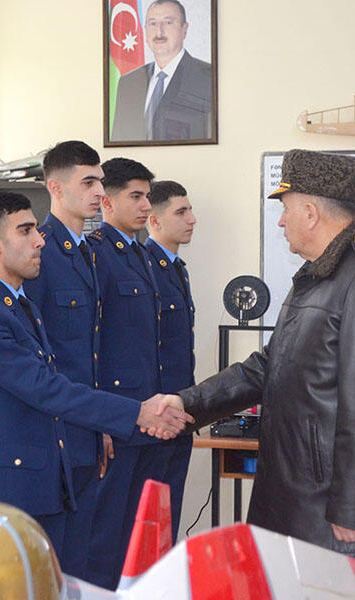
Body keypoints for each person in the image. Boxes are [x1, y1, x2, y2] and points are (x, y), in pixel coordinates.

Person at [156, 149, 355, 566]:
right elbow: (269, 366)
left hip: (330, 512)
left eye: (286, 209)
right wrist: (188, 403)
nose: (281, 222)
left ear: (310, 213)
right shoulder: (322, 274)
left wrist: (352, 508)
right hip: (300, 496)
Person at [0, 191, 192, 564]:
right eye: (26, 231)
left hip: (48, 480)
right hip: (13, 489)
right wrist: (137, 412)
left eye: (36, 229)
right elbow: (45, 389)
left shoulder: (18, 304)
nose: (39, 240)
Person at [21, 140, 109, 579]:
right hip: (54, 436)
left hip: (86, 431)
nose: (100, 192)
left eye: (101, 182)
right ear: (55, 187)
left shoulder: (86, 250)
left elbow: (90, 350)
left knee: (82, 560)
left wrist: (101, 426)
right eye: (88, 182)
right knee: (53, 566)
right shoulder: (40, 252)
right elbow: (37, 356)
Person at [85, 158, 173, 589]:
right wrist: (101, 420)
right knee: (107, 539)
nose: (145, 206)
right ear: (107, 201)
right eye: (135, 197)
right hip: (118, 419)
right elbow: (89, 345)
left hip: (147, 417)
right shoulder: (95, 254)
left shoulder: (140, 254)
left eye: (147, 196)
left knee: (139, 540)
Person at [144, 180, 196, 543]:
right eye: (181, 212)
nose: (192, 219)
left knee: (169, 513)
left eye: (190, 210)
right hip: (159, 413)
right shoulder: (146, 268)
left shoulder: (177, 267)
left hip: (179, 408)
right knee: (150, 518)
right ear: (155, 221)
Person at [111, 0, 212, 142]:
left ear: (184, 29)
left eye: (168, 22)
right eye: (152, 23)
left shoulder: (207, 77)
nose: (159, 32)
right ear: (145, 29)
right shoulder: (128, 82)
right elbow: (120, 139)